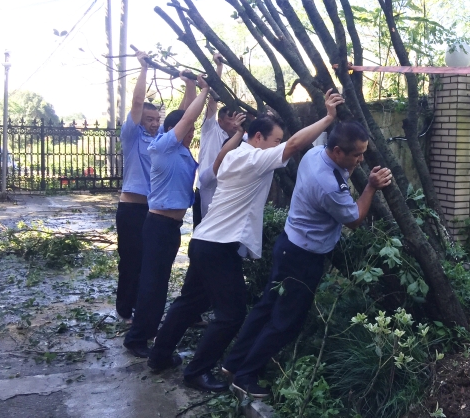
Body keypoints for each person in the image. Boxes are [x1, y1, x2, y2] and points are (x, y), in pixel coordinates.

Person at [145, 90, 345, 393]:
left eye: (278, 141)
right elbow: (294, 145)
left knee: (190, 302)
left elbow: (220, 159)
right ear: (259, 138)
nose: (278, 146)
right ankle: (197, 372)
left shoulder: (234, 155)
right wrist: (329, 118)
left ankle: (159, 356)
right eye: (275, 140)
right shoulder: (253, 159)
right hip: (219, 247)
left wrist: (238, 133)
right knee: (231, 315)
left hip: (204, 240)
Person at [224, 120, 392, 398]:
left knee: (266, 308)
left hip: (288, 245)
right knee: (286, 321)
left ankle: (233, 364)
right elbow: (353, 219)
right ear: (337, 152)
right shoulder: (327, 185)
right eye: (357, 154)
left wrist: (351, 167)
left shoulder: (315, 153)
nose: (361, 159)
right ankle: (246, 376)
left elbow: (342, 175)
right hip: (303, 259)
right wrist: (371, 187)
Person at [123, 75, 211, 359]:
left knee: (159, 284)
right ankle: (136, 338)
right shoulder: (162, 146)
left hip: (172, 228)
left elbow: (187, 114)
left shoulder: (183, 153)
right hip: (158, 226)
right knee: (152, 284)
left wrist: (198, 86)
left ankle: (148, 332)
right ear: (174, 130)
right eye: (188, 129)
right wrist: (205, 91)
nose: (192, 132)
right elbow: (187, 116)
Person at [115, 52, 196, 323]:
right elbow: (137, 102)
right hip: (131, 209)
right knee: (130, 260)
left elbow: (182, 117)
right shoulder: (131, 136)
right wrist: (144, 68)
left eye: (156, 119)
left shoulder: (161, 140)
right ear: (139, 119)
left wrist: (190, 85)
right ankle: (124, 310)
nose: (153, 123)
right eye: (148, 118)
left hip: (152, 212)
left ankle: (141, 310)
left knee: (148, 265)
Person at [192, 53, 241, 228]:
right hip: (205, 188)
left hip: (225, 191)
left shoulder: (240, 138)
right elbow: (212, 100)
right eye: (230, 120)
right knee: (201, 230)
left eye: (236, 119)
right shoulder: (211, 129)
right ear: (220, 120)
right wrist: (219, 68)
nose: (235, 123)